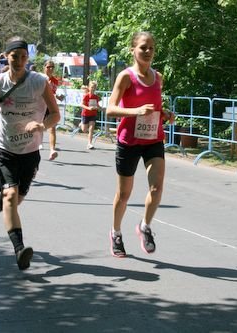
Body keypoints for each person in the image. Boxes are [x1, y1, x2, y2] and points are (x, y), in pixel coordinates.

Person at [0, 37, 60, 270]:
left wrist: (42, 126)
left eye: (22, 57)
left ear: (27, 58)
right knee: (12, 196)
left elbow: (55, 115)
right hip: (4, 146)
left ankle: (4, 196)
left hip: (30, 149)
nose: (19, 61)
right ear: (6, 57)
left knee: (17, 198)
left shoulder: (39, 82)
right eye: (14, 56)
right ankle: (20, 249)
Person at [106, 31, 174, 257]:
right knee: (124, 194)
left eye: (151, 48)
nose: (147, 51)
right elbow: (110, 109)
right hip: (129, 141)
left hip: (153, 138)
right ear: (132, 50)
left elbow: (155, 107)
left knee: (157, 187)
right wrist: (135, 111)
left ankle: (145, 226)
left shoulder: (159, 77)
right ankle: (116, 232)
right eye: (143, 47)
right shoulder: (125, 77)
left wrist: (164, 113)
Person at [42, 60, 64, 160]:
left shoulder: (55, 80)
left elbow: (53, 93)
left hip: (50, 106)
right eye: (48, 67)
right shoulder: (39, 78)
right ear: (44, 68)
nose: (50, 69)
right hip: (39, 106)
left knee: (52, 128)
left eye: (52, 67)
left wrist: (59, 97)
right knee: (38, 127)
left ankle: (52, 150)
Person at [80, 81, 100, 149]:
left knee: (91, 129)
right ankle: (81, 124)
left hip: (93, 114)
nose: (93, 89)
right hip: (85, 114)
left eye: (94, 87)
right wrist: (88, 108)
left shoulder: (96, 97)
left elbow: (97, 105)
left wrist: (100, 108)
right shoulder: (86, 96)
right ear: (89, 88)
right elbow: (82, 105)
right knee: (84, 130)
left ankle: (89, 143)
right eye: (91, 87)